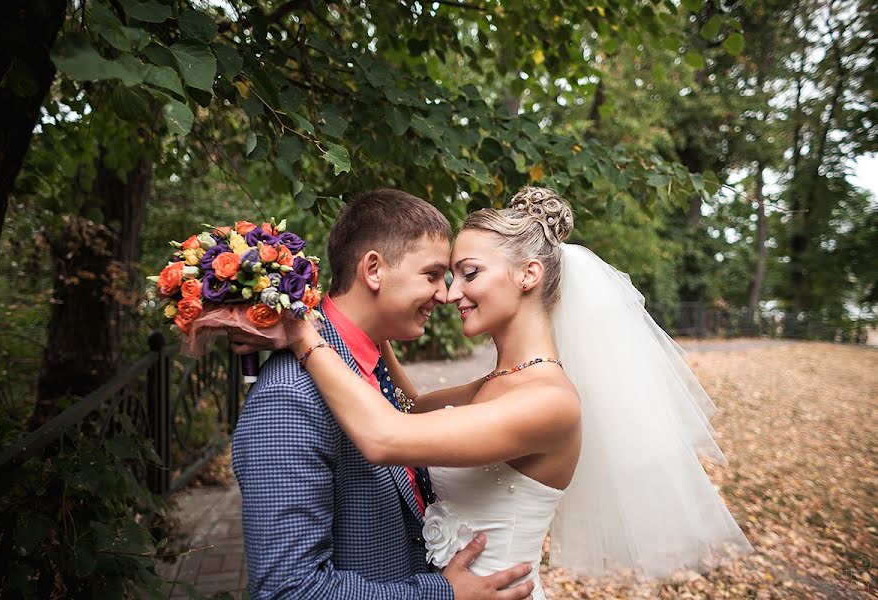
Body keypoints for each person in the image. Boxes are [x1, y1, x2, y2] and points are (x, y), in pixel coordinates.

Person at [259, 187, 753, 599]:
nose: (451, 294)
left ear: (528, 276)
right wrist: (370, 332)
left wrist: (304, 333)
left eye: (468, 274)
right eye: (445, 277)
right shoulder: (497, 383)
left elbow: (387, 434)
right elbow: (407, 409)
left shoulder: (548, 401)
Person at [230, 188, 536, 600]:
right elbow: (290, 590)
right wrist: (440, 594)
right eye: (431, 275)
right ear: (373, 269)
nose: (445, 295)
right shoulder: (289, 396)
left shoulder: (365, 363)